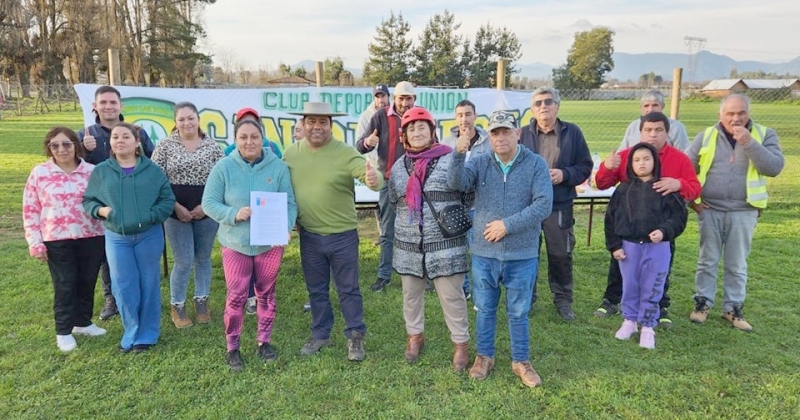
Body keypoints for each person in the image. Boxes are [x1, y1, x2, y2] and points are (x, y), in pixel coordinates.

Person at [449, 110, 553, 388]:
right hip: (484, 253)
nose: (501, 137)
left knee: (518, 311)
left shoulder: (535, 164)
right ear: (489, 137)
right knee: (484, 309)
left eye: (507, 131)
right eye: (495, 132)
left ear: (518, 133)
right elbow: (455, 184)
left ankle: (521, 360)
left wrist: (507, 225)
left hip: (522, 254)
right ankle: (484, 357)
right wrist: (459, 154)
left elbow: (543, 204)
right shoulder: (480, 162)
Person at [284, 102, 383, 362]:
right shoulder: (291, 154)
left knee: (348, 289)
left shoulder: (344, 152)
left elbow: (371, 177)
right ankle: (321, 334)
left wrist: (374, 180)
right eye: (311, 121)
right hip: (310, 235)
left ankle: (355, 336)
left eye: (322, 122)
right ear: (303, 124)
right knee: (316, 289)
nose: (317, 127)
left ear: (331, 125)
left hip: (342, 236)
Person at [202, 119, 297, 371]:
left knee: (266, 294)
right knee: (236, 297)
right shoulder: (223, 168)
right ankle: (233, 347)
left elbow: (289, 203)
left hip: (269, 244)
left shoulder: (278, 167)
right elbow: (209, 203)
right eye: (243, 137)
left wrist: (286, 226)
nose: (249, 142)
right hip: (236, 244)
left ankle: (264, 342)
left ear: (262, 138)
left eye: (254, 136)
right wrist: (234, 213)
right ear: (235, 140)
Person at [592, 112, 701, 328]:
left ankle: (659, 306)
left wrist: (678, 184)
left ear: (667, 133)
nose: (653, 135)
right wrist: (608, 166)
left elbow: (695, 187)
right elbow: (602, 184)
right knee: (621, 265)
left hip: (661, 228)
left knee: (660, 269)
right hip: (629, 227)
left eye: (658, 130)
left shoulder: (679, 159)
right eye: (648, 130)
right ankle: (612, 300)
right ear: (640, 132)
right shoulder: (628, 156)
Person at [686, 94, 784, 332]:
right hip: (710, 208)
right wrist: (693, 201)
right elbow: (687, 167)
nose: (736, 118)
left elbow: (774, 167)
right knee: (707, 259)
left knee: (736, 262)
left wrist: (749, 142)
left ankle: (733, 308)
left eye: (741, 113)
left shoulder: (764, 134)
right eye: (730, 113)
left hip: (744, 210)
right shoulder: (707, 135)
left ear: (748, 113)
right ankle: (702, 303)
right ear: (720, 115)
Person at [388, 107, 470, 370]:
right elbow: (393, 200)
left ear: (432, 132)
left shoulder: (450, 159)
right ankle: (415, 336)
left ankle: (460, 344)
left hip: (445, 245)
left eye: (422, 127)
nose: (417, 132)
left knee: (451, 296)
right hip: (409, 245)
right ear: (405, 136)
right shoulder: (399, 167)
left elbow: (466, 193)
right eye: (411, 128)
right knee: (411, 295)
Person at [82, 122, 175, 353]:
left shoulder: (152, 170)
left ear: (137, 142)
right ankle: (131, 331)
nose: (120, 140)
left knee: (148, 283)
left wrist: (151, 215)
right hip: (117, 238)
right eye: (115, 137)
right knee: (123, 286)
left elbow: (167, 200)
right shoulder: (102, 171)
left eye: (126, 136)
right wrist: (102, 211)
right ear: (111, 143)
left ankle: (148, 334)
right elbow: (89, 201)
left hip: (148, 236)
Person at [23, 127, 107, 352]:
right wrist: (35, 241)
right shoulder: (40, 173)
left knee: (87, 281)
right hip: (57, 239)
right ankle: (63, 330)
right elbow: (31, 209)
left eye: (67, 144)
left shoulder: (92, 171)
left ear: (76, 145)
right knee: (65, 284)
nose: (61, 149)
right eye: (55, 145)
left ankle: (83, 322)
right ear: (49, 148)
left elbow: (105, 201)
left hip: (92, 235)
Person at [78, 85, 155, 321]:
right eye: (103, 102)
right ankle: (112, 297)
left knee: (133, 255)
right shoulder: (86, 135)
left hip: (132, 205)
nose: (108, 106)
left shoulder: (137, 132)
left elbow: (151, 161)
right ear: (95, 106)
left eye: (113, 102)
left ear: (121, 106)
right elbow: (72, 166)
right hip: (103, 206)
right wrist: (84, 150)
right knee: (105, 256)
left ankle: (138, 296)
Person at [605, 142, 688, 349]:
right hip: (629, 247)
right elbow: (611, 219)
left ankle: (648, 325)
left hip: (657, 248)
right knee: (630, 285)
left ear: (655, 162)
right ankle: (630, 320)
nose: (642, 163)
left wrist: (664, 231)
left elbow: (679, 217)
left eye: (646, 159)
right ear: (630, 164)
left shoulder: (665, 188)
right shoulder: (623, 190)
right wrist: (615, 246)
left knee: (653, 286)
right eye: (637, 160)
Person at [519, 87, 592, 320]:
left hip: (558, 204)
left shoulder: (573, 133)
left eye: (548, 102)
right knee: (527, 254)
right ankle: (527, 298)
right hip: (528, 207)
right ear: (532, 109)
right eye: (538, 103)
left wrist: (565, 174)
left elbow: (585, 167)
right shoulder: (521, 134)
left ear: (557, 106)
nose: (543, 106)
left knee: (560, 254)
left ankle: (562, 299)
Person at [151, 102, 224, 329]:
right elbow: (156, 180)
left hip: (207, 211)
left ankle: (202, 301)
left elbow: (223, 179)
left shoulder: (212, 146)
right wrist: (175, 206)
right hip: (176, 212)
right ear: (175, 121)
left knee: (203, 259)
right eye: (181, 119)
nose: (186, 123)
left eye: (190, 118)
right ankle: (178, 305)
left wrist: (206, 206)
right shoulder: (164, 145)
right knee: (183, 261)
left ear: (198, 119)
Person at [222, 107, 284, 316]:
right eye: (244, 123)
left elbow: (281, 175)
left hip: (266, 218)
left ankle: (262, 298)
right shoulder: (229, 152)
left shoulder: (273, 148)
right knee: (242, 262)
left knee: (263, 262)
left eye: (253, 124)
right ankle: (249, 297)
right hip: (241, 222)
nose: (249, 140)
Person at [356, 81, 416, 292]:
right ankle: (384, 276)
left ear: (414, 100)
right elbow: (360, 146)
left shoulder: (420, 117)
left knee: (417, 229)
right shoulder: (380, 117)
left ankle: (420, 274)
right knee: (387, 231)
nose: (405, 103)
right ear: (394, 99)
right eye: (401, 98)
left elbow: (432, 145)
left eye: (409, 99)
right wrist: (367, 143)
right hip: (388, 182)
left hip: (415, 183)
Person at [440, 99, 490, 299]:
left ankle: (481, 291)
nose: (464, 119)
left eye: (468, 114)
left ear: (475, 116)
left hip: (480, 205)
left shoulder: (488, 142)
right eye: (460, 115)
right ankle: (465, 289)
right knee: (459, 251)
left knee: (478, 251)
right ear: (455, 118)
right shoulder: (445, 143)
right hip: (455, 206)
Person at [620, 90, 690, 151]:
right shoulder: (633, 127)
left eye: (655, 105)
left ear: (662, 107)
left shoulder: (676, 127)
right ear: (641, 108)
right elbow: (622, 151)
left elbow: (685, 153)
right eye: (646, 106)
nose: (650, 109)